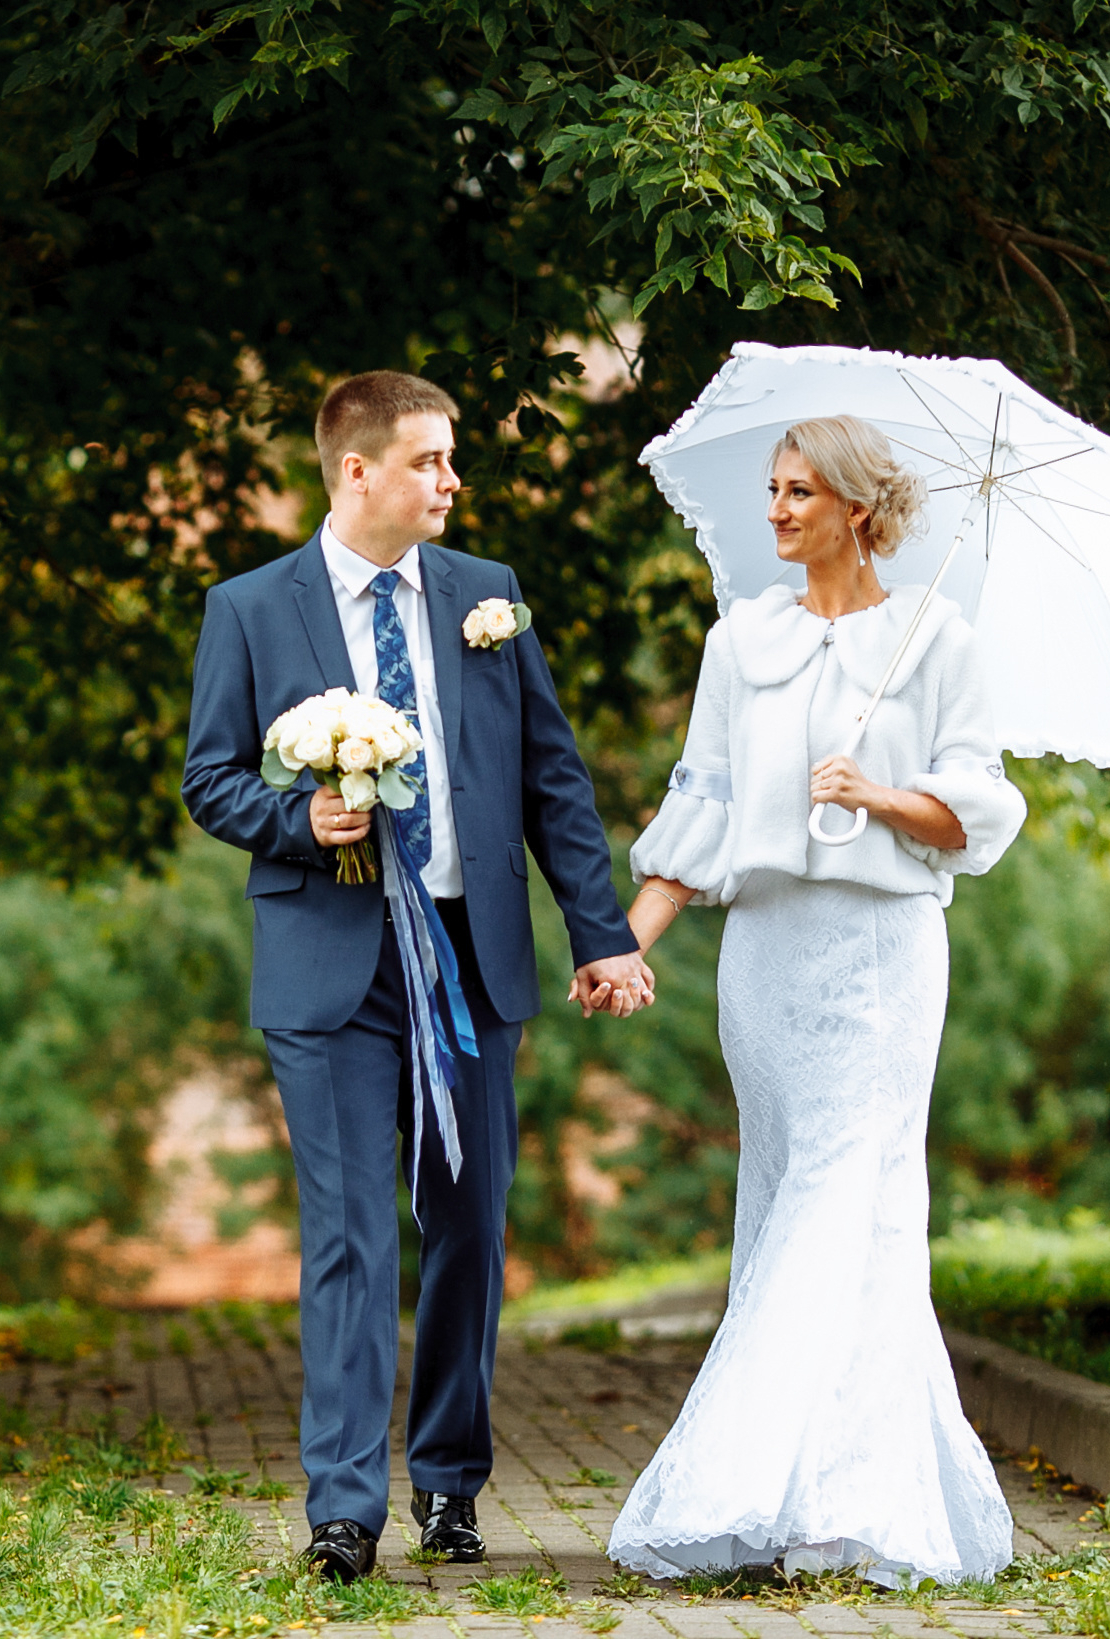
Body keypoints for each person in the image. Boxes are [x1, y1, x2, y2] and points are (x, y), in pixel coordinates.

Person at [182, 370, 652, 1583]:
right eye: (431, 460)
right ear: (356, 470)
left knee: (467, 1224)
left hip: (465, 954)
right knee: (348, 1236)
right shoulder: (247, 608)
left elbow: (552, 778)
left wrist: (599, 931)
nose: (452, 481)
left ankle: (449, 1483)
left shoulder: (487, 598)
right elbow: (211, 778)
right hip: (328, 963)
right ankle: (342, 1508)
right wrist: (300, 819)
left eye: (450, 461)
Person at [607, 415, 1024, 1588]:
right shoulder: (739, 643)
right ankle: (807, 1499)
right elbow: (699, 810)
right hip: (766, 958)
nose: (777, 508)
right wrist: (624, 947)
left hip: (883, 956)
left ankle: (819, 1499)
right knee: (798, 1197)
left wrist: (881, 795)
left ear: (855, 507)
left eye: (800, 491)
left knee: (853, 1199)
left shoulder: (938, 637)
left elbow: (981, 814)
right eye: (771, 488)